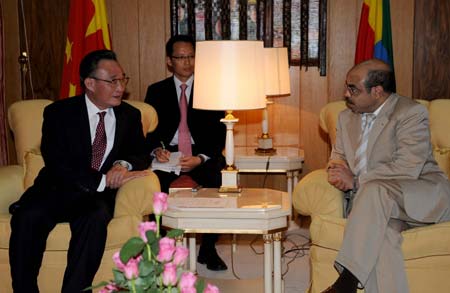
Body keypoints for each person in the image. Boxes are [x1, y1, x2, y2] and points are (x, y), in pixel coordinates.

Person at [9, 49, 151, 292]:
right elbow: (57, 162)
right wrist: (103, 180)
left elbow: (140, 152)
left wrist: (123, 165)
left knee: (94, 218)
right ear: (90, 83)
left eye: (122, 79)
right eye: (112, 81)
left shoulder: (130, 115)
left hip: (95, 199)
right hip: (57, 188)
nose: (120, 87)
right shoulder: (59, 113)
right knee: (27, 218)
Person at [323, 59, 450, 293]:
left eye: (353, 89)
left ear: (377, 91)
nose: (345, 93)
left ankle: (346, 283)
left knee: (374, 190)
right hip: (375, 207)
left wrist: (357, 181)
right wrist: (336, 168)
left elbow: (408, 166)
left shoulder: (410, 113)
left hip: (418, 194)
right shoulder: (345, 117)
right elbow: (337, 155)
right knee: (384, 235)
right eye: (346, 87)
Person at [144, 34, 227, 271]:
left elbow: (219, 133)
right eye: (181, 57)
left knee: (219, 180)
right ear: (169, 61)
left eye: (191, 56)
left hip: (201, 155)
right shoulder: (156, 91)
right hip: (168, 156)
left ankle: (208, 249)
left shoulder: (210, 88)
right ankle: (161, 249)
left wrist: (200, 158)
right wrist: (157, 149)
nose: (187, 62)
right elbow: (149, 131)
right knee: (152, 186)